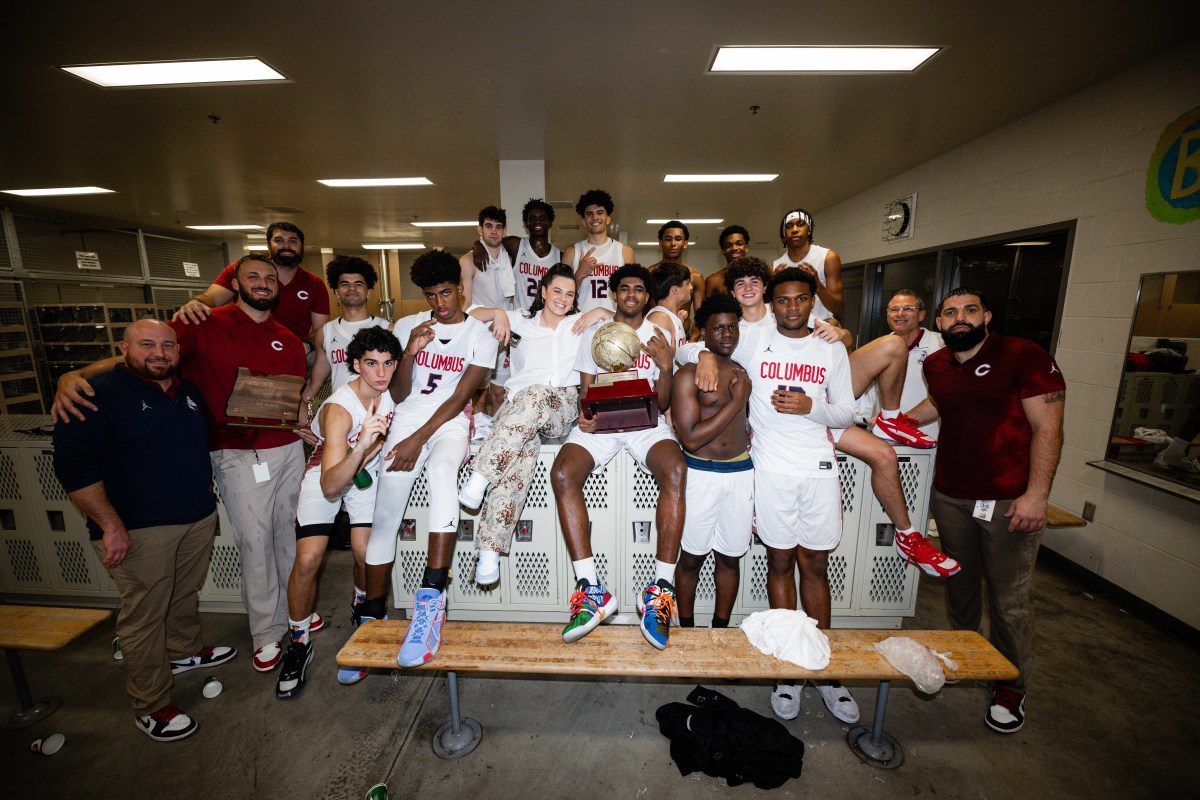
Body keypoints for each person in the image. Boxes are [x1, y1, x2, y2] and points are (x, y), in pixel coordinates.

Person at [52, 255, 309, 675]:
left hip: (286, 448)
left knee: (287, 536)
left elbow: (291, 398)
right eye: (252, 277)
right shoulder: (202, 322)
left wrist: (304, 424)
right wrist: (72, 375)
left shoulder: (287, 336)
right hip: (236, 451)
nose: (262, 283)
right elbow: (145, 360)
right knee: (255, 542)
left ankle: (295, 612)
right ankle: (267, 630)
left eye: (268, 278)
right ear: (235, 282)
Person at [680, 268, 861, 724]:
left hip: (818, 470)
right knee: (779, 563)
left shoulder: (830, 348)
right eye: (783, 300)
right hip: (769, 472)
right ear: (772, 304)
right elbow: (700, 343)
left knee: (815, 568)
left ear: (813, 302)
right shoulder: (753, 341)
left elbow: (847, 411)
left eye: (801, 299)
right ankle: (787, 670)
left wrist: (811, 407)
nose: (793, 308)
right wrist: (703, 352)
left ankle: (825, 670)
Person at [52, 319, 232, 742]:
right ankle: (151, 704)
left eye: (167, 345)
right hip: (138, 528)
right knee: (144, 616)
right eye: (147, 344)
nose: (159, 353)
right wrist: (110, 526)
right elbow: (73, 468)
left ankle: (184, 651)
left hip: (194, 516)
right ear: (123, 348)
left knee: (183, 593)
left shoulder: (185, 391)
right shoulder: (94, 394)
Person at [905, 288, 1066, 734]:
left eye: (969, 311)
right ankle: (965, 654)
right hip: (952, 495)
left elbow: (1048, 428)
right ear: (938, 322)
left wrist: (1036, 495)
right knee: (958, 586)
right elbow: (941, 402)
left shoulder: (1023, 356)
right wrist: (899, 423)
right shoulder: (937, 365)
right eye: (951, 312)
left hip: (1008, 500)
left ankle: (1011, 685)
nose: (960, 319)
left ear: (986, 316)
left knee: (1009, 599)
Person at [361, 250, 499, 668]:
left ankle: (429, 605)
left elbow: (461, 398)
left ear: (460, 289)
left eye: (445, 292)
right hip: (407, 419)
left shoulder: (481, 334)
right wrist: (409, 352)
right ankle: (371, 616)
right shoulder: (407, 326)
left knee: (443, 475)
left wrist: (419, 440)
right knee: (386, 517)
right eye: (431, 295)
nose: (440, 302)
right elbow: (399, 393)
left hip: (450, 423)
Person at [551, 264, 685, 650]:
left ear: (647, 296)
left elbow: (662, 404)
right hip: (604, 424)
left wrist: (664, 365)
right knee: (562, 473)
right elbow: (586, 394)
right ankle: (591, 588)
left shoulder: (658, 335)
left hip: (646, 423)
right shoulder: (595, 334)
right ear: (614, 294)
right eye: (623, 288)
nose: (631, 294)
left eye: (639, 289)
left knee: (676, 468)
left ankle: (660, 590)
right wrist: (585, 416)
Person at [458, 265, 612, 583]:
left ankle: (481, 474)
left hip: (562, 406)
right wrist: (499, 312)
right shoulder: (520, 321)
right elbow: (468, 312)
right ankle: (489, 552)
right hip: (520, 413)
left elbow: (623, 316)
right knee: (521, 454)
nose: (563, 298)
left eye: (570, 294)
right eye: (557, 291)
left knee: (536, 394)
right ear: (542, 291)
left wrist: (599, 309)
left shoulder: (579, 323)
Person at [278, 326, 400, 697]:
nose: (381, 373)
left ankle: (361, 606)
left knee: (367, 552)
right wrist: (362, 444)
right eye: (371, 364)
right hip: (328, 471)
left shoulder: (393, 393)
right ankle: (299, 643)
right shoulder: (338, 410)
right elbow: (332, 484)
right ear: (355, 366)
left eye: (388, 363)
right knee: (309, 559)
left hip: (365, 472)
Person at [671, 295, 752, 630]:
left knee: (730, 558)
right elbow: (689, 438)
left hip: (740, 472)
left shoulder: (742, 370)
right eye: (719, 328)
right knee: (691, 558)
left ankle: (720, 633)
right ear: (703, 331)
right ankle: (687, 632)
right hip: (700, 472)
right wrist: (735, 403)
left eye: (733, 327)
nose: (727, 334)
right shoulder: (689, 374)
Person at [172, 222, 330, 344]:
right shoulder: (241, 269)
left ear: (302, 246)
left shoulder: (314, 284)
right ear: (268, 245)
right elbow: (211, 298)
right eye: (279, 240)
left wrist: (304, 347)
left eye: (293, 241)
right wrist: (195, 303)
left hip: (289, 352)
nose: (286, 246)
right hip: (242, 347)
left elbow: (320, 330)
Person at [300, 255, 388, 423]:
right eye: (345, 284)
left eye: (358, 283)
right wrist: (293, 410)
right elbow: (315, 384)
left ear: (368, 292)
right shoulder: (325, 333)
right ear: (336, 292)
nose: (352, 288)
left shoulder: (387, 329)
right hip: (341, 414)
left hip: (378, 414)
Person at [856, 290, 944, 440]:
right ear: (887, 316)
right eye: (894, 309)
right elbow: (869, 396)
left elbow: (943, 396)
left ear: (922, 315)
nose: (900, 314)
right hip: (884, 437)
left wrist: (899, 422)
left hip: (928, 436)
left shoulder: (940, 344)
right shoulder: (879, 348)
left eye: (908, 309)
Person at [562, 189, 635, 313]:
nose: (595, 217)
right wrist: (579, 274)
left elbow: (633, 293)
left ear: (608, 219)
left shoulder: (624, 251)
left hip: (614, 324)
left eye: (600, 212)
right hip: (580, 324)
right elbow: (560, 294)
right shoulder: (572, 252)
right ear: (584, 221)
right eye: (589, 214)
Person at [771, 209, 843, 326]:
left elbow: (838, 308)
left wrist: (817, 284)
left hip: (821, 330)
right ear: (784, 234)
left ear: (809, 230)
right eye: (789, 226)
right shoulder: (775, 267)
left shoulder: (828, 258)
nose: (794, 230)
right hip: (788, 332)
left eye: (800, 224)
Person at [647, 221, 705, 335]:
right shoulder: (649, 273)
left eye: (678, 239)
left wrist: (690, 342)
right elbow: (641, 311)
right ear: (661, 243)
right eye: (668, 239)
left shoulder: (695, 277)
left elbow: (701, 316)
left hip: (684, 334)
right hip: (653, 333)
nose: (673, 243)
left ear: (685, 243)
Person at [645, 261, 693, 350]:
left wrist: (678, 322)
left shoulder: (669, 317)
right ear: (675, 290)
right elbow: (655, 361)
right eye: (688, 283)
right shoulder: (660, 318)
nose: (691, 287)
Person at [705, 224, 751, 298]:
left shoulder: (759, 276)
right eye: (728, 245)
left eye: (739, 244)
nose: (734, 248)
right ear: (723, 251)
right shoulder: (714, 280)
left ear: (746, 247)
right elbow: (707, 308)